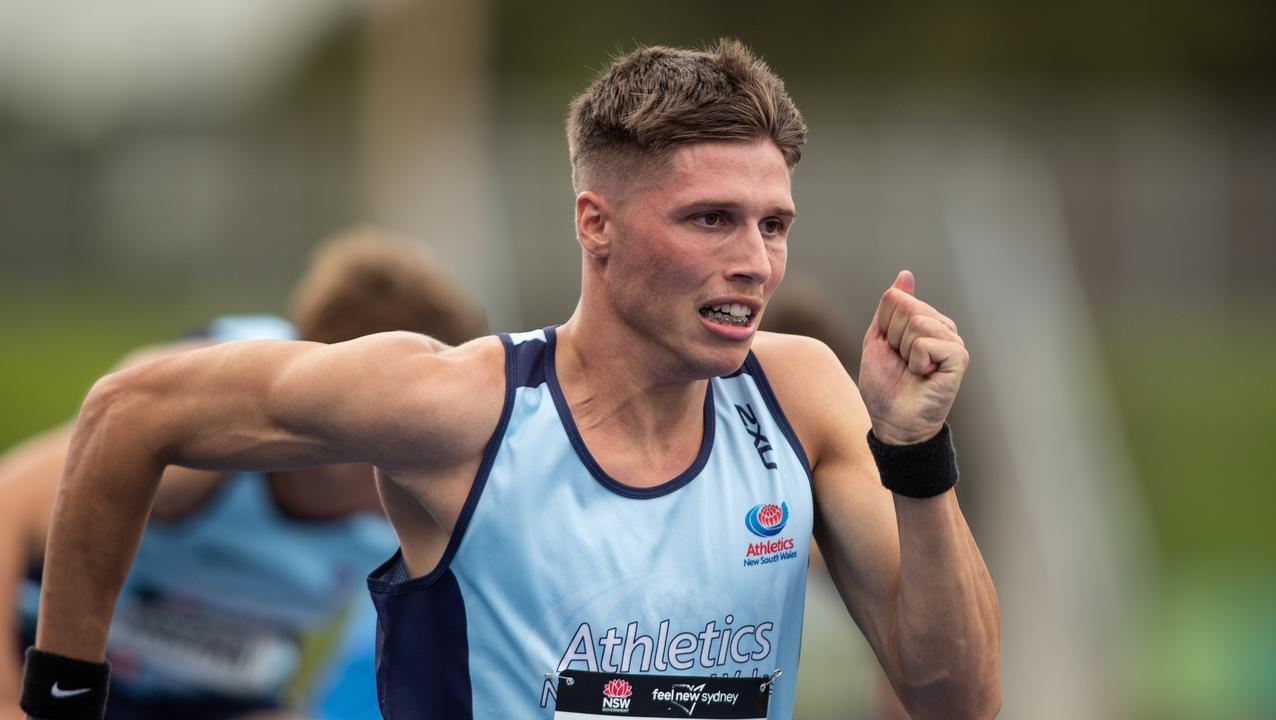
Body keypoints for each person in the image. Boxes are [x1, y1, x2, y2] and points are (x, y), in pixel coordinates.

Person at [23, 40, 1000, 720]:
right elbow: (126, 410)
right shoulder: (457, 408)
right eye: (710, 219)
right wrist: (64, 690)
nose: (754, 261)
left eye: (772, 224)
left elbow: (955, 699)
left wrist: (914, 457)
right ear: (595, 225)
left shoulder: (801, 396)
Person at [3, 228, 486, 720]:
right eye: (418, 439)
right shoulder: (214, 418)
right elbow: (10, 499)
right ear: (346, 414)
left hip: (218, 693)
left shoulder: (432, 500)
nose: (429, 467)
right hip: (52, 660)